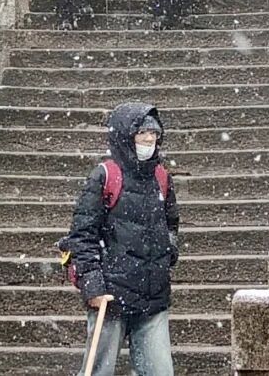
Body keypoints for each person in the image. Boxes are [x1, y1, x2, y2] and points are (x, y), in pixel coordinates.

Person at [63, 102, 179, 376]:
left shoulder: (161, 177)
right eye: (141, 133)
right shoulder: (105, 175)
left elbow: (171, 224)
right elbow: (82, 235)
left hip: (153, 297)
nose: (149, 139)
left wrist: (167, 255)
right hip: (110, 296)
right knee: (97, 370)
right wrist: (92, 285)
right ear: (126, 136)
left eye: (154, 133)